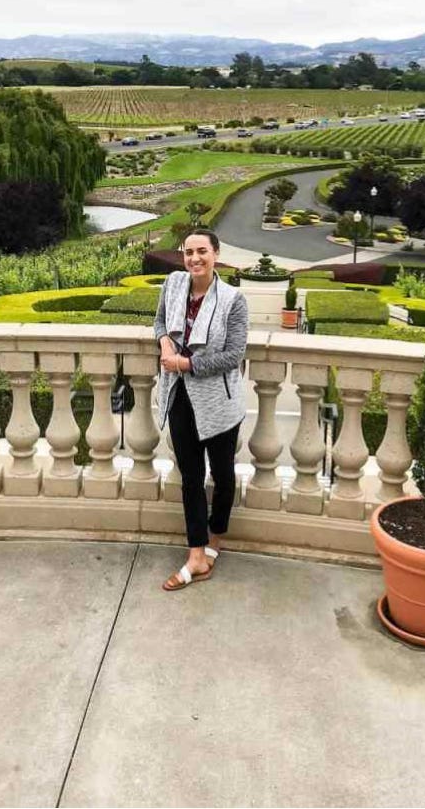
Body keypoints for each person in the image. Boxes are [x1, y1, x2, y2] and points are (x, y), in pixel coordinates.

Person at [154, 229, 249, 591]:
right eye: (189, 252)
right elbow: (161, 322)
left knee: (223, 476)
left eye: (202, 251)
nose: (195, 258)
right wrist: (164, 341)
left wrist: (183, 364)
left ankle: (216, 538)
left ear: (216, 254)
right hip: (180, 398)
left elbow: (233, 355)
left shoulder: (233, 299)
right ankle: (196, 554)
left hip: (219, 404)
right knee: (191, 477)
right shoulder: (174, 284)